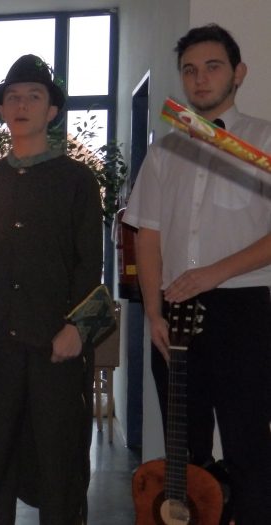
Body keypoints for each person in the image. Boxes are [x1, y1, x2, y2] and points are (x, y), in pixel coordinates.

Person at [124, 23, 271, 524]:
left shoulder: (263, 140)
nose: (200, 79)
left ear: (238, 73)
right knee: (184, 454)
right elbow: (148, 234)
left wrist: (213, 274)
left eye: (212, 67)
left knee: (248, 447)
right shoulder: (166, 149)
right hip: (173, 311)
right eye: (189, 70)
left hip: (242, 309)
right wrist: (153, 312)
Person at [0, 55, 103, 524]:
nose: (21, 105)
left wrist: (77, 329)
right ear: (1, 109)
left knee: (59, 465)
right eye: (13, 97)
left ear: (51, 111)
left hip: (55, 342)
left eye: (33, 97)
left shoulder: (77, 180)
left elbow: (90, 265)